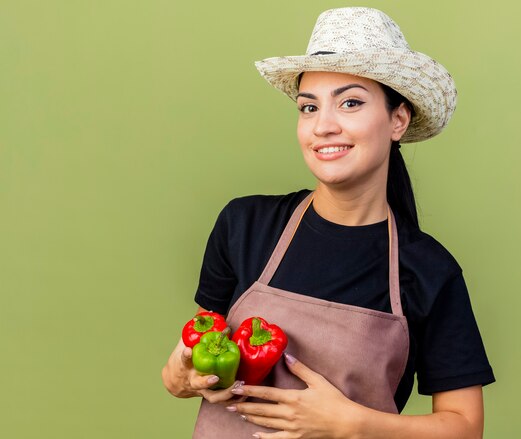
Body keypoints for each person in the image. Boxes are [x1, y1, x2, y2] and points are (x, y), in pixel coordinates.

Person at [162, 7, 495, 439]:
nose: (323, 126)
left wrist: (351, 423)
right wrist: (182, 378)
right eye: (308, 107)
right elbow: (183, 364)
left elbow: (464, 428)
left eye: (350, 102)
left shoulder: (429, 270)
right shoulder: (244, 225)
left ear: (398, 119)